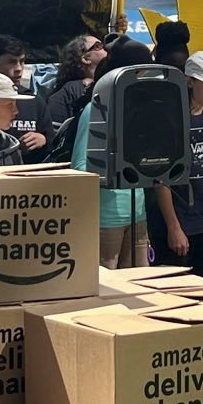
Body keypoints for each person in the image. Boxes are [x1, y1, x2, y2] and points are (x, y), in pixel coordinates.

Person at [72, 40, 156, 268]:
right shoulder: (96, 109)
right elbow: (80, 165)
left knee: (140, 287)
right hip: (105, 218)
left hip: (138, 213)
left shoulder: (143, 109)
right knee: (106, 288)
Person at [150, 51, 203, 279]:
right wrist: (174, 227)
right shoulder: (169, 120)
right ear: (189, 81)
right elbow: (161, 178)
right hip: (180, 222)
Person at [39, 34, 107, 143]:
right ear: (85, 58)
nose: (106, 48)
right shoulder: (68, 92)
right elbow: (54, 136)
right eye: (98, 45)